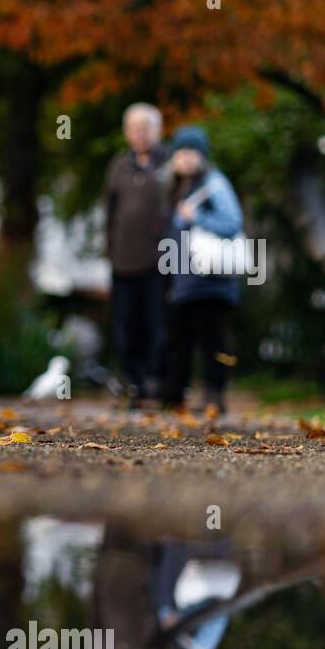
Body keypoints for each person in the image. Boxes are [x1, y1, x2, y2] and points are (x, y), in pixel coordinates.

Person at [160, 125, 244, 415]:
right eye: (180, 152)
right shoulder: (174, 186)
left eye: (191, 152)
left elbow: (232, 223)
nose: (184, 158)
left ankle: (215, 395)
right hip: (183, 279)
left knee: (213, 340)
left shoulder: (215, 183)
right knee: (179, 340)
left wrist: (198, 217)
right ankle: (174, 396)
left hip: (210, 279)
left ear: (202, 156)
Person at [103, 103, 171, 407]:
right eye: (135, 128)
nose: (140, 134)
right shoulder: (118, 166)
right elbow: (109, 212)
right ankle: (133, 383)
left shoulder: (170, 164)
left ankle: (155, 382)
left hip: (161, 262)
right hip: (123, 262)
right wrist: (110, 250)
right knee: (125, 327)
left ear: (158, 131)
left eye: (146, 128)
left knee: (157, 325)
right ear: (127, 132)